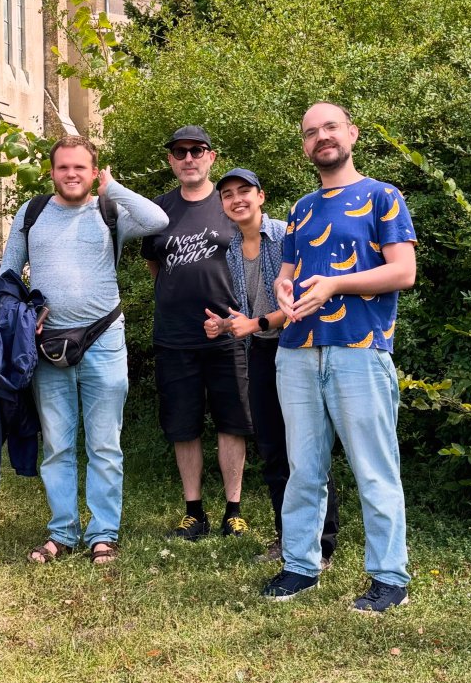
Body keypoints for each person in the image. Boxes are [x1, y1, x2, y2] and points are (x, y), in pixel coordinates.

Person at [267, 102, 418, 611]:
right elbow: (287, 272)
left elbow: (403, 272)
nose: (322, 137)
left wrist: (335, 284)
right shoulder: (301, 208)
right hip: (297, 351)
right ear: (305, 146)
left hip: (360, 349)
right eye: (311, 132)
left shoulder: (382, 196)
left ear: (351, 133)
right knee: (304, 469)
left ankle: (390, 578)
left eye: (330, 127)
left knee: (374, 469)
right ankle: (300, 566)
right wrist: (282, 288)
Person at [0, 136, 168, 565]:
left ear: (94, 172)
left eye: (80, 167)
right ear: (51, 172)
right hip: (47, 344)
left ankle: (103, 534)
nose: (71, 174)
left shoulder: (111, 212)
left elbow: (158, 219)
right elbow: (8, 272)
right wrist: (22, 313)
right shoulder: (32, 213)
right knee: (57, 445)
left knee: (104, 445)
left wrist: (114, 188)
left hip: (104, 338)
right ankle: (62, 532)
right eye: (63, 167)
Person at [204, 168, 339, 565]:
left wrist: (256, 324)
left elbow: (299, 302)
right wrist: (226, 325)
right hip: (262, 352)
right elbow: (249, 312)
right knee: (273, 449)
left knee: (308, 449)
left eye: (244, 191)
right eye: (227, 194)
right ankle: (288, 540)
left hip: (299, 348)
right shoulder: (231, 248)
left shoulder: (285, 235)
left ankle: (322, 544)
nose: (236, 199)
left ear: (260, 196)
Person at [141, 126, 253, 540]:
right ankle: (194, 513)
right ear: (171, 161)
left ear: (211, 157)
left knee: (232, 423)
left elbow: (252, 254)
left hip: (228, 334)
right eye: (180, 152)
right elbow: (154, 265)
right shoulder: (157, 211)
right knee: (182, 425)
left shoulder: (229, 204)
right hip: (174, 337)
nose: (188, 158)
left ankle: (233, 512)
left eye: (197, 150)